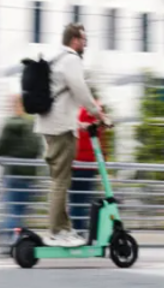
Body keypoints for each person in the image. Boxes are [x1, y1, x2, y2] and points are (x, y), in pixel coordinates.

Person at [33, 23, 106, 247]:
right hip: (61, 128)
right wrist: (99, 114)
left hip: (52, 124)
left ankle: (64, 229)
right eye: (84, 40)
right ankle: (57, 232)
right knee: (61, 181)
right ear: (74, 40)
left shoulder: (57, 58)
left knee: (60, 180)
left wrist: (79, 123)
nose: (85, 44)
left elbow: (62, 99)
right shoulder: (72, 59)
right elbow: (80, 90)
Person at [0, 109, 42, 243]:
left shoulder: (10, 125)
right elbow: (37, 149)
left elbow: (0, 146)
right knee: (20, 211)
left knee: (12, 210)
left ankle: (8, 240)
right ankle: (15, 240)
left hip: (12, 173)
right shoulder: (34, 126)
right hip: (29, 175)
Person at [69, 97, 104, 235]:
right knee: (82, 202)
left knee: (78, 202)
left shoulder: (79, 113)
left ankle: (78, 231)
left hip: (79, 165)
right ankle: (80, 231)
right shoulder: (94, 114)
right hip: (86, 165)